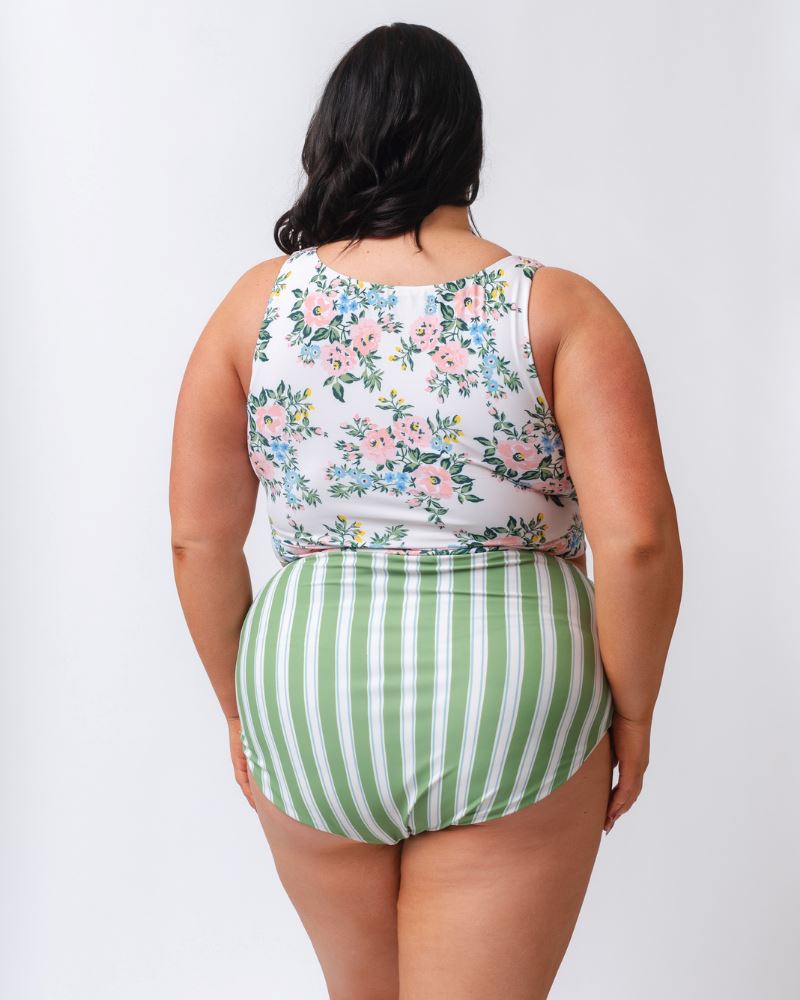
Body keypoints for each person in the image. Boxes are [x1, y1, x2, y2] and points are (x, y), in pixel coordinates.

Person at [169, 21, 683, 1000]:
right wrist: (632, 711)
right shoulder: (559, 308)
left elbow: (199, 540)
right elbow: (638, 542)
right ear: (467, 146)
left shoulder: (254, 309)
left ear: (329, 137)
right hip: (514, 680)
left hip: (306, 682)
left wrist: (241, 709)